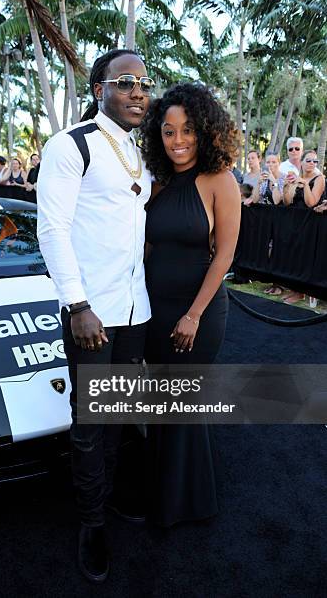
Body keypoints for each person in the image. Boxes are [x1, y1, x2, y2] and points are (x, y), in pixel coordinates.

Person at [37, 49, 154, 583]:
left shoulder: (139, 151)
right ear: (99, 87)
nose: (137, 92)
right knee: (90, 423)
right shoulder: (71, 144)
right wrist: (77, 304)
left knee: (123, 412)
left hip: (137, 307)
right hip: (93, 312)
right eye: (125, 82)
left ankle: (111, 498)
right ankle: (91, 523)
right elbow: (52, 230)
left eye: (144, 84)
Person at [140, 82, 241, 527]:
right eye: (168, 131)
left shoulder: (220, 180)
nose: (178, 141)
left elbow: (224, 254)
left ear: (204, 131)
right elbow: (143, 245)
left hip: (197, 312)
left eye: (187, 131)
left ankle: (181, 506)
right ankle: (178, 492)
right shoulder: (159, 182)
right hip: (155, 308)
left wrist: (194, 314)